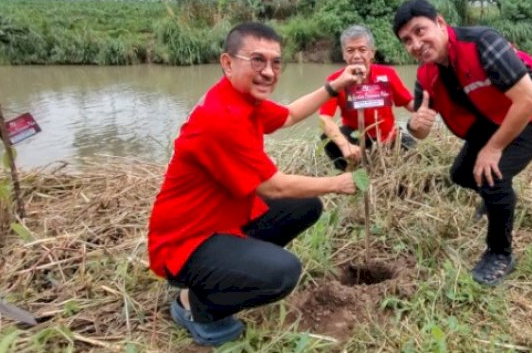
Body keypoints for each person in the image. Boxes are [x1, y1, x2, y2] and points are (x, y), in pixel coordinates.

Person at [147, 23, 367, 346]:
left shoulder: (241, 99)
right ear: (227, 62)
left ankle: (223, 274)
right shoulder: (222, 117)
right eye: (257, 60)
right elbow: (274, 187)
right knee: (283, 272)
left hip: (217, 222)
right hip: (183, 243)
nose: (268, 72)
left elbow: (289, 115)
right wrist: (337, 182)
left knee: (305, 206)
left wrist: (336, 85)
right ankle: (196, 306)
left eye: (276, 62)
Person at [393, 0, 532, 286]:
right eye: (407, 40)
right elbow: (420, 132)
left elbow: (528, 100)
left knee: (491, 177)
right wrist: (415, 124)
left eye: (420, 31)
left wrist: (494, 148)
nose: (416, 44)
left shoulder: (483, 43)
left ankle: (500, 253)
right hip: (495, 118)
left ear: (440, 22)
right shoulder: (426, 74)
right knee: (461, 174)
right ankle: (501, 200)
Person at [319, 25, 415, 171]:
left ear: (372, 53)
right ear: (344, 55)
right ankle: (346, 172)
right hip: (355, 135)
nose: (356, 56)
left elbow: (409, 102)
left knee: (417, 153)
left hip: (387, 136)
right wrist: (345, 146)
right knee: (327, 140)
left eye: (362, 50)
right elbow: (324, 118)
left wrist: (428, 107)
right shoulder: (335, 80)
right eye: (350, 51)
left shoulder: (388, 74)